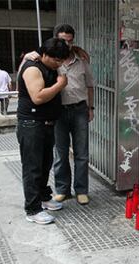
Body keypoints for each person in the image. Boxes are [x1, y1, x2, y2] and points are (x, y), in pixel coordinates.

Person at [17, 38, 69, 224]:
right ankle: (32, 209)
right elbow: (38, 97)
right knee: (32, 168)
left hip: (46, 123)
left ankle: (43, 197)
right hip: (31, 124)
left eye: (61, 60)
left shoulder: (50, 65)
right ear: (45, 55)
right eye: (56, 60)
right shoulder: (32, 68)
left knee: (45, 164)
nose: (59, 64)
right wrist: (59, 85)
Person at [52, 24, 94, 205]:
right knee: (60, 153)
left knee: (81, 153)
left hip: (79, 110)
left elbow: (90, 86)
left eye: (70, 41)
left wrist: (91, 108)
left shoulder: (82, 60)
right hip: (59, 112)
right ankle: (62, 189)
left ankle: (81, 190)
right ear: (56, 40)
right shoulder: (52, 61)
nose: (67, 45)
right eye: (62, 41)